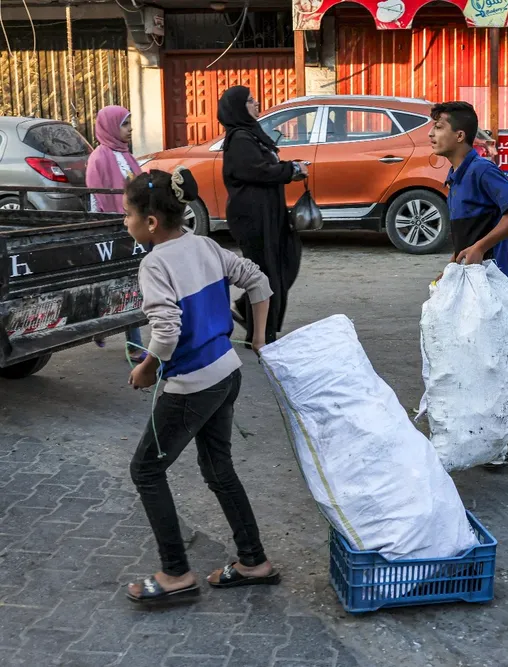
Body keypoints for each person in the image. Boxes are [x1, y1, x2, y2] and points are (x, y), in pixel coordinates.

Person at [123, 168, 280, 605]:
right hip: (227, 373)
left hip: (192, 385)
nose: (125, 223)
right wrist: (259, 338)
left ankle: (175, 573)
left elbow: (167, 332)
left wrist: (148, 365)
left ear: (151, 222)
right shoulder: (206, 245)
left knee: (146, 470)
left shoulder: (154, 263)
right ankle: (254, 562)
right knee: (218, 469)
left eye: (127, 214)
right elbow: (259, 281)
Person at [428, 101, 508, 466]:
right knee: (470, 358)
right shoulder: (455, 176)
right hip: (466, 281)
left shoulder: (481, 171)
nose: (431, 134)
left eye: (439, 127)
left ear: (460, 135)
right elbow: (464, 236)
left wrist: (480, 247)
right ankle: (506, 434)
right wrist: (451, 265)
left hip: (488, 285)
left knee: (486, 360)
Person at [218, 85, 307, 345]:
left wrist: (290, 168)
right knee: (266, 274)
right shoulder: (239, 140)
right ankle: (262, 335)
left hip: (270, 215)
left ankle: (249, 311)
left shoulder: (252, 135)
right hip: (253, 219)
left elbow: (266, 167)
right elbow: (259, 172)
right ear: (237, 108)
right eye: (250, 101)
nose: (256, 104)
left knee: (282, 266)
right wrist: (290, 171)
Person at [86, 105, 146, 363]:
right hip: (112, 230)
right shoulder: (99, 158)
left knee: (130, 284)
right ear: (110, 126)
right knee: (121, 284)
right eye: (124, 124)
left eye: (130, 122)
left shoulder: (127, 155)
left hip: (132, 228)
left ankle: (101, 327)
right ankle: (132, 344)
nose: (130, 128)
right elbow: (95, 198)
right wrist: (100, 230)